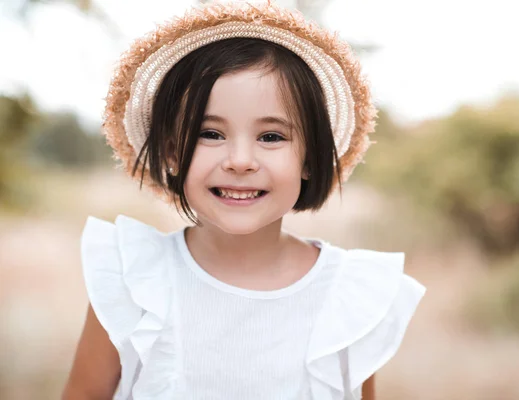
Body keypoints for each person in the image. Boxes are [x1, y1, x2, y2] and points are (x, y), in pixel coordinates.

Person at [62, 2, 426, 399]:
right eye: (210, 134)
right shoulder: (132, 278)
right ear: (169, 153)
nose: (239, 161)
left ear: (309, 158)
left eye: (271, 137)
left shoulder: (350, 297)